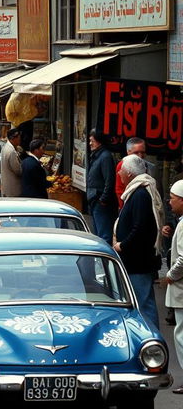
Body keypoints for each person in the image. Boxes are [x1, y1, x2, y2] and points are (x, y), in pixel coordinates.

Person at [114, 154, 164, 329]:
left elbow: (140, 228)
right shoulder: (137, 191)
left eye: (121, 169)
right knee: (143, 301)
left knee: (143, 303)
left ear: (128, 173)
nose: (119, 172)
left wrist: (123, 245)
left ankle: (150, 338)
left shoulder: (140, 194)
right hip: (136, 260)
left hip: (138, 261)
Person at [165, 180, 183, 393]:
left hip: (181, 289)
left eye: (172, 198)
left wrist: (170, 276)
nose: (170, 202)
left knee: (181, 334)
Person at [86, 130, 118, 244]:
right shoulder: (97, 155)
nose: (90, 143)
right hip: (94, 199)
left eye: (92, 141)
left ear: (99, 142)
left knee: (104, 235)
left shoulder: (105, 157)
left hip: (100, 201)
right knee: (98, 234)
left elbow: (109, 180)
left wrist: (103, 199)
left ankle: (104, 260)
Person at [114, 137, 155, 208]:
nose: (140, 156)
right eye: (136, 153)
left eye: (142, 152)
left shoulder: (149, 166)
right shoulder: (123, 166)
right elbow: (120, 190)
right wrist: (124, 208)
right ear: (128, 152)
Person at [0, 128, 23, 197]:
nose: (20, 140)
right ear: (13, 138)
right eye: (19, 138)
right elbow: (18, 170)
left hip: (6, 185)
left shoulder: (6, 147)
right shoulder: (11, 151)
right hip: (12, 188)